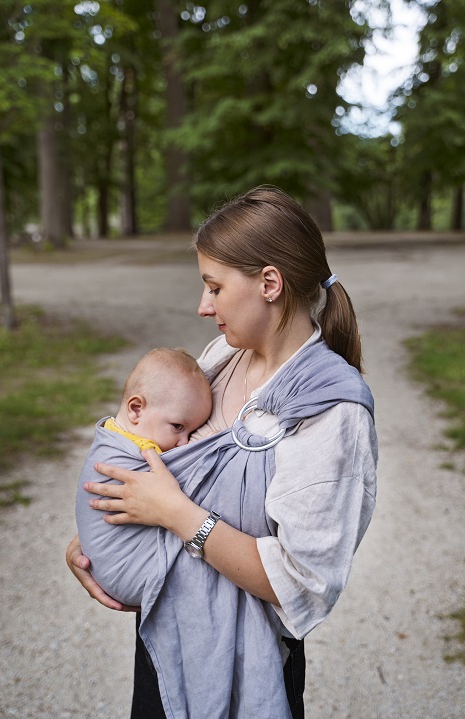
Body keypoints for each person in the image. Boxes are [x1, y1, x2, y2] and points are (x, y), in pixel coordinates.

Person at [66, 186, 378, 719]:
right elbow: (161, 465)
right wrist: (103, 532)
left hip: (246, 659)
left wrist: (174, 514)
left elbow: (300, 580)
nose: (202, 306)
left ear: (270, 284)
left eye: (214, 287)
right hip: (170, 634)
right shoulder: (222, 358)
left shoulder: (333, 415)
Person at [75, 347, 213, 606]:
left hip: (107, 568)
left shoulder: (115, 433)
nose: (184, 443)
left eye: (193, 431)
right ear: (136, 409)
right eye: (178, 427)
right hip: (133, 574)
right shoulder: (138, 454)